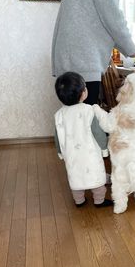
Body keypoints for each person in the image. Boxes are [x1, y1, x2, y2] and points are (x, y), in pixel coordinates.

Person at [51, 0, 135, 105]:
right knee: (83, 120)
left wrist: (131, 48)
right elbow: (111, 15)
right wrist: (131, 48)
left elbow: (101, 18)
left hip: (73, 55)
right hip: (83, 57)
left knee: (73, 119)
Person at [54, 71, 113, 208]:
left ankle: (79, 200)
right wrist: (104, 149)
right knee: (96, 176)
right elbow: (98, 132)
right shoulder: (89, 110)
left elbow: (57, 136)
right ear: (83, 93)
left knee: (75, 176)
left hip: (72, 155)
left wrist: (60, 152)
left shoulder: (58, 115)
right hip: (90, 153)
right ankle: (99, 200)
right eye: (85, 87)